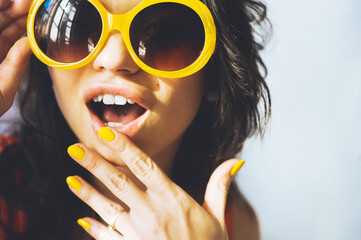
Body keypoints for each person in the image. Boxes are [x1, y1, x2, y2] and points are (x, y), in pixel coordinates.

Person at [0, 0, 271, 239]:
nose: (114, 58)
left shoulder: (231, 224)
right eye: (80, 27)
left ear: (215, 72)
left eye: (162, 35)